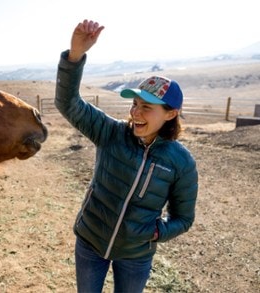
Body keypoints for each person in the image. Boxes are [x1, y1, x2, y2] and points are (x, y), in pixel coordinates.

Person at [55, 20, 198, 293]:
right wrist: (74, 57)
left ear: (170, 113)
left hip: (136, 256)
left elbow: (184, 218)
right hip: (90, 243)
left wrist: (156, 233)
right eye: (134, 104)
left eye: (146, 107)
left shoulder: (181, 163)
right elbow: (68, 103)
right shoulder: (111, 132)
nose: (135, 113)